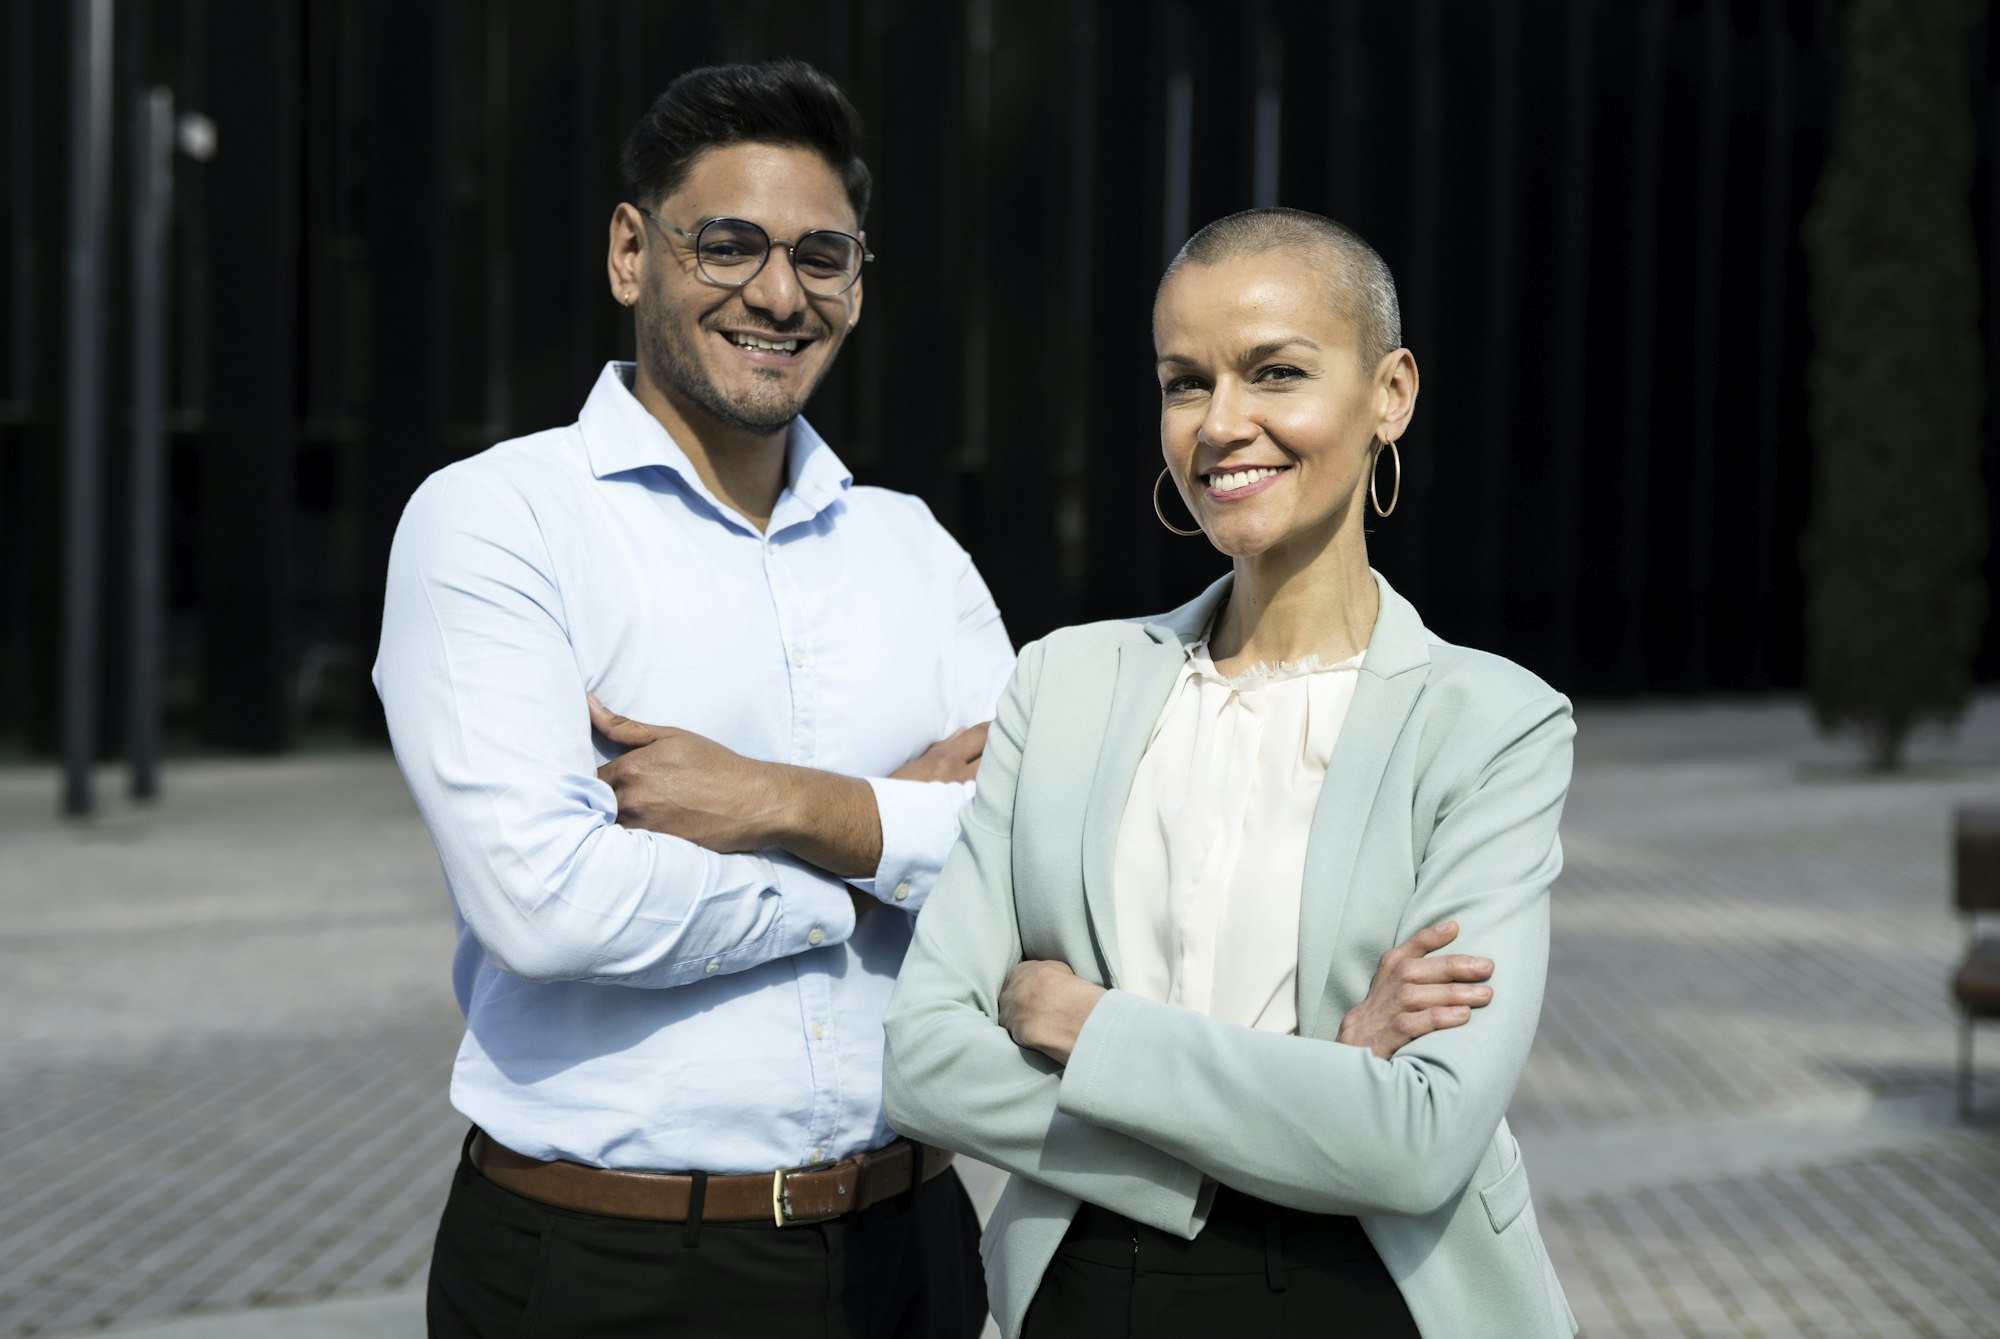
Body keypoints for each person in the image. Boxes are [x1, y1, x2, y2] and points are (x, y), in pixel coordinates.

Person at [373, 60, 1013, 1338]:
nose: (778, 293)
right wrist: (868, 864)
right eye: (729, 244)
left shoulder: (914, 549)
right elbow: (549, 905)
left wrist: (778, 803)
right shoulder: (498, 522)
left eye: (821, 258)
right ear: (630, 253)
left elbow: (1041, 859)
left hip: (915, 1246)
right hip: (612, 1267)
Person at [882, 207, 1577, 1338]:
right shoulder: (1063, 682)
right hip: (1082, 1286)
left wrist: (1086, 1024)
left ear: (1389, 394)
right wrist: (1310, 1084)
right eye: (1182, 381)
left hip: (1368, 1293)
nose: (1220, 424)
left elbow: (1416, 1141)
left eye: (1275, 372)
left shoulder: (1490, 722)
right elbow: (923, 1063)